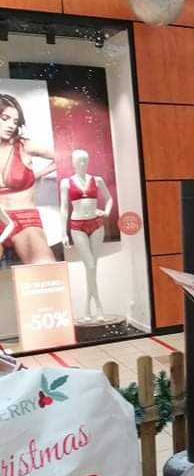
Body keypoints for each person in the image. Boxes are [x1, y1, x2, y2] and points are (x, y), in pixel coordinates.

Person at [0, 94, 56, 264]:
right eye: (5, 118)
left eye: (15, 121)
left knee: (46, 271)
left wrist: (37, 175)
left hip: (24, 219)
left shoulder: (25, 146)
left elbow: (65, 156)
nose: (11, 125)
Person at [60, 149, 113, 322]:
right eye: (79, 161)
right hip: (77, 226)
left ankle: (87, 310)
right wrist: (63, 232)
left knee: (92, 267)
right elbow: (64, 208)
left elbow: (109, 198)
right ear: (73, 162)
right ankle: (98, 307)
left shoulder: (97, 180)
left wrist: (106, 212)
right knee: (90, 265)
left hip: (97, 225)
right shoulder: (66, 183)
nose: (82, 164)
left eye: (85, 160)